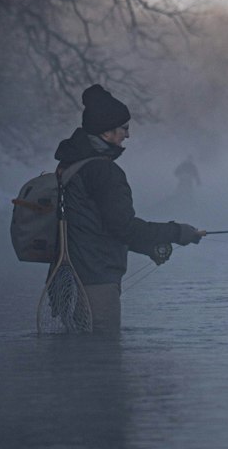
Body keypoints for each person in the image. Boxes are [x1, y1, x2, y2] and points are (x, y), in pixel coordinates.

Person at [53, 83, 205, 334]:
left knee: (81, 363)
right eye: (124, 128)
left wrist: (148, 247)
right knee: (102, 364)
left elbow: (100, 226)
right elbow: (123, 227)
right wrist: (179, 232)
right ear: (107, 132)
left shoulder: (73, 165)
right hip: (96, 283)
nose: (128, 135)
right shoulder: (103, 171)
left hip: (70, 281)